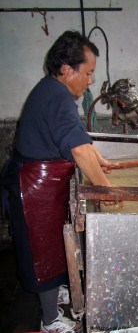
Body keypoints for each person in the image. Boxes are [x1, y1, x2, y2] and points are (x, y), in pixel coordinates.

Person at [2, 30, 118, 332]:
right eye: (89, 73)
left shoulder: (51, 91)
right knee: (45, 253)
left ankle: (50, 297)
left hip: (38, 185)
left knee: (52, 249)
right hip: (35, 189)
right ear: (67, 69)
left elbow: (79, 141)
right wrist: (107, 190)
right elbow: (78, 149)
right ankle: (49, 319)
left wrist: (100, 161)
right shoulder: (57, 96)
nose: (90, 80)